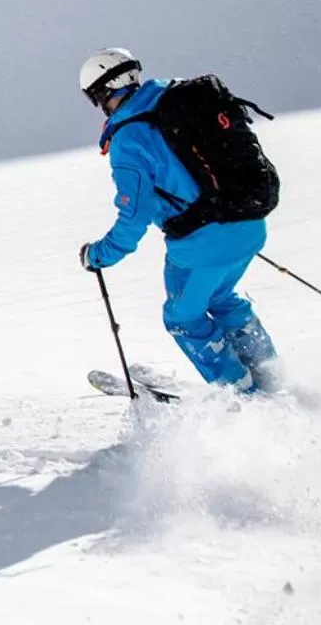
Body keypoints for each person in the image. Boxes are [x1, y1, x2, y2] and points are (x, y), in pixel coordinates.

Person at [78, 49, 279, 392]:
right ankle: (271, 374)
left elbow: (133, 217)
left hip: (202, 242)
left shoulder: (129, 137)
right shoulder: (176, 98)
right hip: (249, 221)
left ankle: (243, 395)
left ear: (104, 92)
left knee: (182, 317)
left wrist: (99, 255)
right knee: (222, 298)